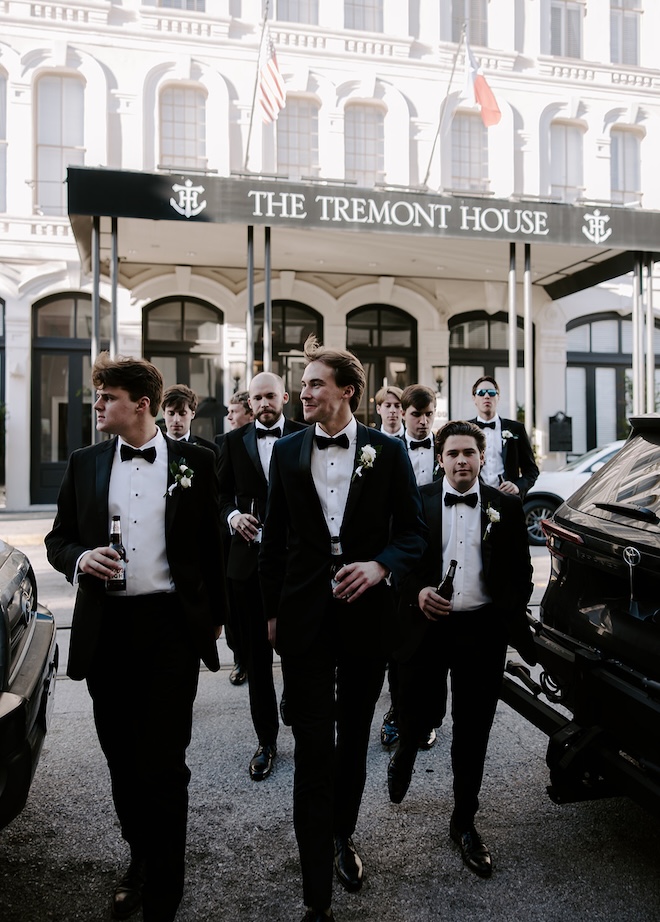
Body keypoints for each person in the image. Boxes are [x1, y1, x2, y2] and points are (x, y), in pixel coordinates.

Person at [45, 353, 226, 922]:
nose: (97, 405)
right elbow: (57, 539)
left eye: (107, 397)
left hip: (171, 628)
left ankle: (165, 890)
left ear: (141, 404)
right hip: (108, 632)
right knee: (122, 759)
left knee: (165, 763)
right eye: (98, 396)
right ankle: (140, 855)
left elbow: (213, 547)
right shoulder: (85, 462)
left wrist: (216, 619)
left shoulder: (196, 461)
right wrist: (81, 559)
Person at [259, 336, 427, 922]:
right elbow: (273, 541)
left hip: (366, 615)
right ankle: (316, 897)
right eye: (302, 384)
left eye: (314, 383)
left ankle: (342, 835)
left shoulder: (387, 450)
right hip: (304, 615)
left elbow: (414, 532)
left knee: (353, 738)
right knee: (311, 748)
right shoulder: (286, 452)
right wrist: (272, 614)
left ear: (347, 391)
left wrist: (381, 566)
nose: (302, 392)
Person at [387, 420, 537, 880]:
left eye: (469, 453)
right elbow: (399, 563)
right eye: (452, 453)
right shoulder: (419, 500)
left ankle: (464, 823)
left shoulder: (505, 507)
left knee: (473, 732)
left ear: (482, 457)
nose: (461, 461)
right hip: (428, 628)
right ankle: (407, 746)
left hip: (483, 632)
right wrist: (417, 592)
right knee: (417, 710)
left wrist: (509, 614)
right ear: (440, 459)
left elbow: (522, 572)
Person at [218, 371, 305, 782]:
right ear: (249, 403)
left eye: (271, 395)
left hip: (296, 563)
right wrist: (233, 516)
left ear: (284, 397)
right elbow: (218, 497)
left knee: (299, 650)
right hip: (247, 565)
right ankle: (266, 740)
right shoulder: (232, 442)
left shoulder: (307, 435)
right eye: (257, 398)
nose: (264, 403)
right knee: (256, 657)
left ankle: (298, 710)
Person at [380, 382, 440, 751]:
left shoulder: (446, 447)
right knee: (398, 642)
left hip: (436, 554)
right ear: (403, 414)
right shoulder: (387, 448)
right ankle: (397, 712)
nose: (423, 421)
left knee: (432, 644)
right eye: (416, 414)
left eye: (428, 414)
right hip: (399, 554)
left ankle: (428, 717)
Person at [215, 389, 254, 685]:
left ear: (249, 412)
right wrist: (232, 517)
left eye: (233, 411)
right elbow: (221, 491)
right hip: (233, 537)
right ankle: (241, 658)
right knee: (235, 606)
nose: (229, 416)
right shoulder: (224, 442)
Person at [468, 375, 539, 500]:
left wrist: (517, 487)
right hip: (474, 498)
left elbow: (531, 470)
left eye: (491, 392)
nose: (486, 396)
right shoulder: (465, 430)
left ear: (498, 397)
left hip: (507, 498)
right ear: (474, 398)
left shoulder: (516, 429)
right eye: (481, 393)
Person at [162, 383, 222, 461]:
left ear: (192, 414)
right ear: (164, 414)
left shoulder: (210, 450)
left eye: (182, 413)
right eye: (171, 413)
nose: (176, 419)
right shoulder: (154, 448)